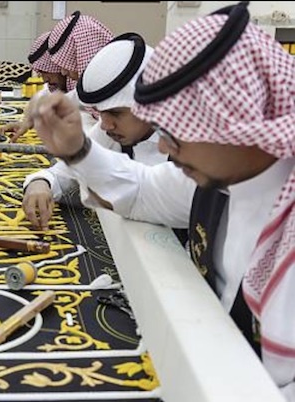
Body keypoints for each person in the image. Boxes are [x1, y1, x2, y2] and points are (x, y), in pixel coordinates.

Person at [31, 2, 295, 398]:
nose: (167, 147)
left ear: (230, 122)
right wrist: (77, 151)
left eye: (176, 132)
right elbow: (142, 191)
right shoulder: (220, 175)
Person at [22, 32, 165, 231]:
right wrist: (41, 182)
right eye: (101, 113)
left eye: (115, 113)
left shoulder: (189, 154)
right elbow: (72, 171)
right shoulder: (115, 132)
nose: (106, 125)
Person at [0, 11, 114, 142]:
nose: (64, 71)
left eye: (66, 63)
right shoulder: (90, 87)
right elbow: (54, 100)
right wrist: (29, 122)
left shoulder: (115, 90)